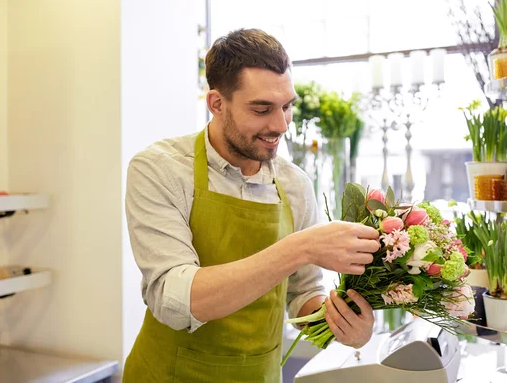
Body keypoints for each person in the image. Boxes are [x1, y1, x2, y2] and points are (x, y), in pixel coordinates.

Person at [122, 28, 380, 383]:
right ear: (216, 103)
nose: (280, 125)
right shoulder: (160, 169)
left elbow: (303, 292)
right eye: (261, 109)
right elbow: (176, 300)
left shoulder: (294, 185)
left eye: (287, 106)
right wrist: (300, 247)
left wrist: (344, 325)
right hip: (170, 374)